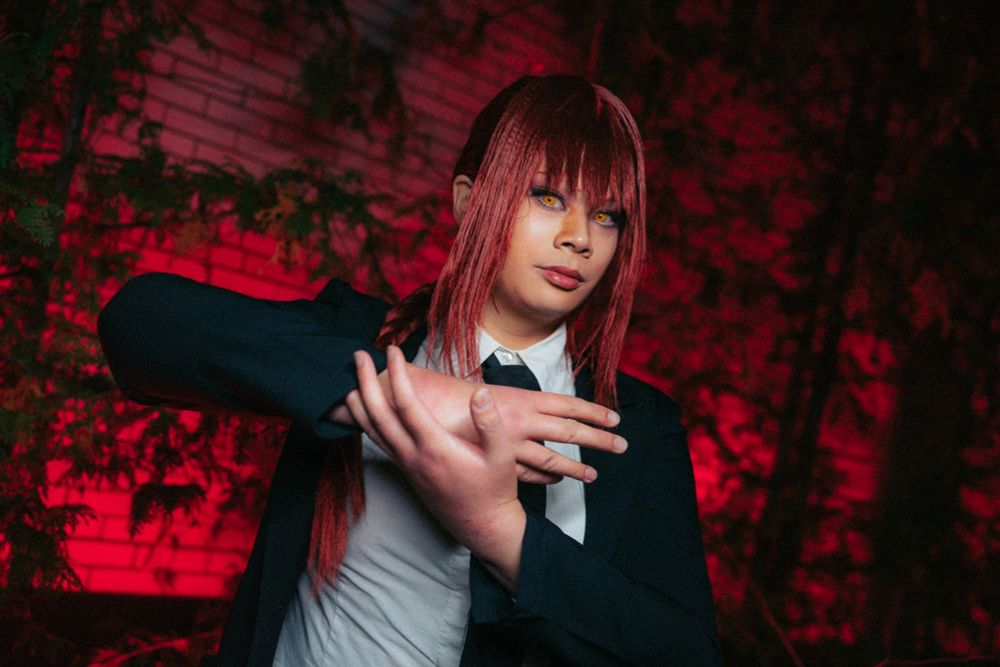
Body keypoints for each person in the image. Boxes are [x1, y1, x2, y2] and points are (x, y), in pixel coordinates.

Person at [98, 75, 722, 666]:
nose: (579, 236)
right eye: (548, 196)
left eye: (607, 215)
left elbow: (682, 651)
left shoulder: (636, 427)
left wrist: (501, 532)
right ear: (470, 201)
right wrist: (412, 394)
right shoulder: (362, 338)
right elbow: (141, 323)